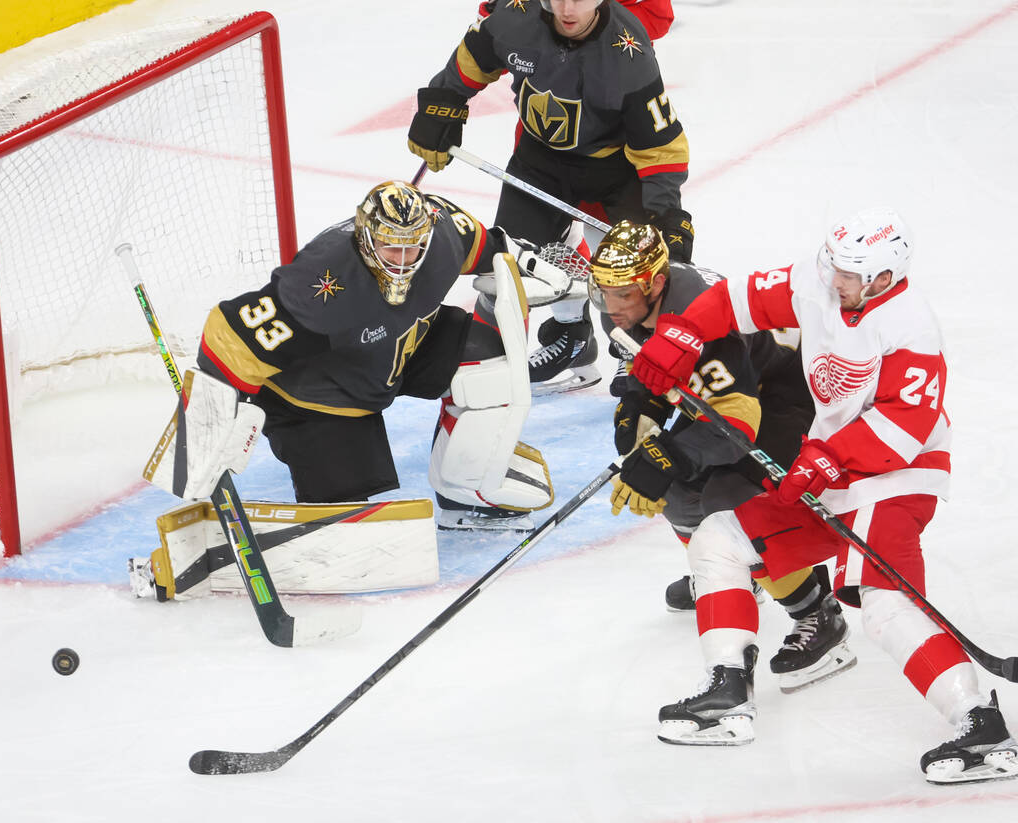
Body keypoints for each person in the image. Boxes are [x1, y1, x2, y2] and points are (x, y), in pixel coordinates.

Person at [630, 208, 1018, 783]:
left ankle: (982, 726)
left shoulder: (912, 326)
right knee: (718, 541)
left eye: (851, 273)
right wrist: (680, 335)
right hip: (834, 474)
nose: (836, 280)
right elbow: (733, 299)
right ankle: (727, 695)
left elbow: (906, 426)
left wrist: (830, 456)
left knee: (884, 605)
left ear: (884, 278)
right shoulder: (819, 283)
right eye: (834, 265)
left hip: (896, 478)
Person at [148, 180, 573, 532]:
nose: (404, 261)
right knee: (344, 519)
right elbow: (231, 336)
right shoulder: (323, 282)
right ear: (367, 237)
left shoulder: (443, 234)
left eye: (413, 248)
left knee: (488, 363)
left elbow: (492, 246)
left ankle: (467, 488)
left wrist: (527, 264)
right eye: (391, 249)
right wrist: (205, 431)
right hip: (318, 395)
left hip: (401, 348)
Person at [591, 221, 855, 692]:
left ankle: (819, 614)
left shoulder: (694, 316)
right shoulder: (633, 303)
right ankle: (730, 574)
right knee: (671, 490)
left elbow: (737, 423)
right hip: (730, 394)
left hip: (783, 397)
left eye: (624, 295)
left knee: (732, 503)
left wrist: (664, 455)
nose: (612, 308)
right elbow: (653, 369)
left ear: (654, 283)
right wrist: (639, 410)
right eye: (605, 292)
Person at [407, 0, 692, 396]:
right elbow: (473, 57)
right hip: (539, 161)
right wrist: (443, 102)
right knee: (504, 268)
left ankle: (638, 351)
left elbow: (660, 147)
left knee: (632, 270)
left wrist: (666, 214)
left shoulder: (628, 50)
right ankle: (561, 339)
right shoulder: (514, 17)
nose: (567, 9)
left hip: (616, 170)